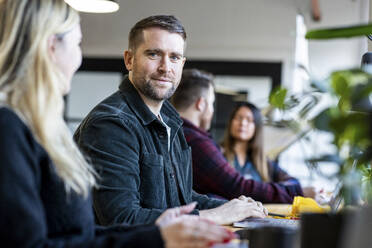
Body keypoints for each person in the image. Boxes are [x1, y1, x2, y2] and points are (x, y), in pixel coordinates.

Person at [0, 1, 237, 247]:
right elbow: (116, 218)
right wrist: (161, 235)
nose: (166, 67)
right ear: (51, 47)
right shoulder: (12, 126)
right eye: (78, 44)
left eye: (175, 57)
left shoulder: (41, 125)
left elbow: (78, 233)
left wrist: (225, 210)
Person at [74, 15, 267, 226]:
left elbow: (181, 200)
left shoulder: (170, 120)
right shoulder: (111, 124)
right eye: (154, 54)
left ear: (182, 64)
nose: (166, 67)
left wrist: (234, 208)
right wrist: (216, 216)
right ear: (129, 59)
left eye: (174, 57)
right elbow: (122, 219)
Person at [171, 68, 314, 203]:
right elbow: (237, 187)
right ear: (201, 104)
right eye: (212, 103)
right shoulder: (197, 141)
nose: (243, 124)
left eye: (249, 120)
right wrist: (296, 192)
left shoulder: (176, 133)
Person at [221, 102, 316, 198]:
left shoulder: (263, 162)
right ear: (231, 122)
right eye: (239, 118)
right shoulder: (218, 154)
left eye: (249, 120)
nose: (243, 123)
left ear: (256, 127)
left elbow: (293, 182)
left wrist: (292, 190)